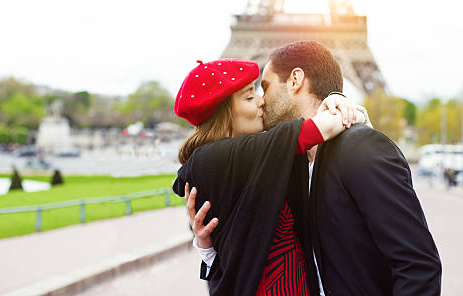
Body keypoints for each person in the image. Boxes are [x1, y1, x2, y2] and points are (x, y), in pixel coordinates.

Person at [189, 41, 442, 296]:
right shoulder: (286, 167)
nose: (262, 101)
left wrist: (345, 107)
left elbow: (417, 264)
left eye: (265, 87)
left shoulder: (362, 148)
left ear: (295, 80)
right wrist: (207, 247)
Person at [172, 58, 365, 296]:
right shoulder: (222, 156)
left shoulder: (218, 163)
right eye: (249, 97)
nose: (262, 101)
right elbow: (325, 126)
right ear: (225, 110)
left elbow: (226, 254)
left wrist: (205, 247)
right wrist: (338, 101)